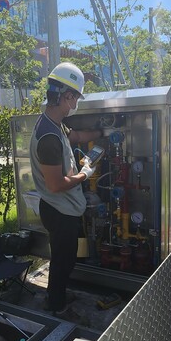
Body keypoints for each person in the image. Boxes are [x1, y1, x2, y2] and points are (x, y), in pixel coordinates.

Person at [30, 62, 104, 316]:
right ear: (67, 95)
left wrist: (101, 132)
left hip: (62, 208)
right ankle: (57, 306)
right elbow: (56, 184)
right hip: (58, 209)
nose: (76, 103)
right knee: (63, 260)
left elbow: (73, 137)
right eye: (75, 97)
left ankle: (56, 293)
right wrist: (85, 174)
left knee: (65, 258)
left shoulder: (54, 124)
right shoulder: (48, 137)